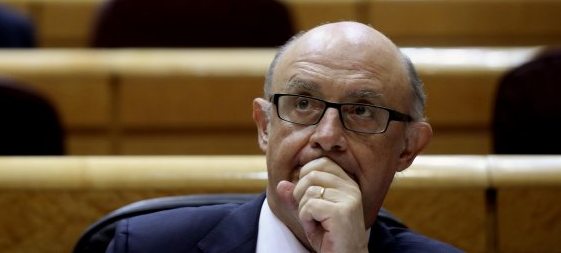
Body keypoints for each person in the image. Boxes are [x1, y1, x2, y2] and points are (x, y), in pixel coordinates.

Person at [106, 21, 462, 252]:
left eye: (362, 111)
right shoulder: (143, 246)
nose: (327, 136)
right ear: (265, 126)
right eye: (304, 103)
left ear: (407, 148)